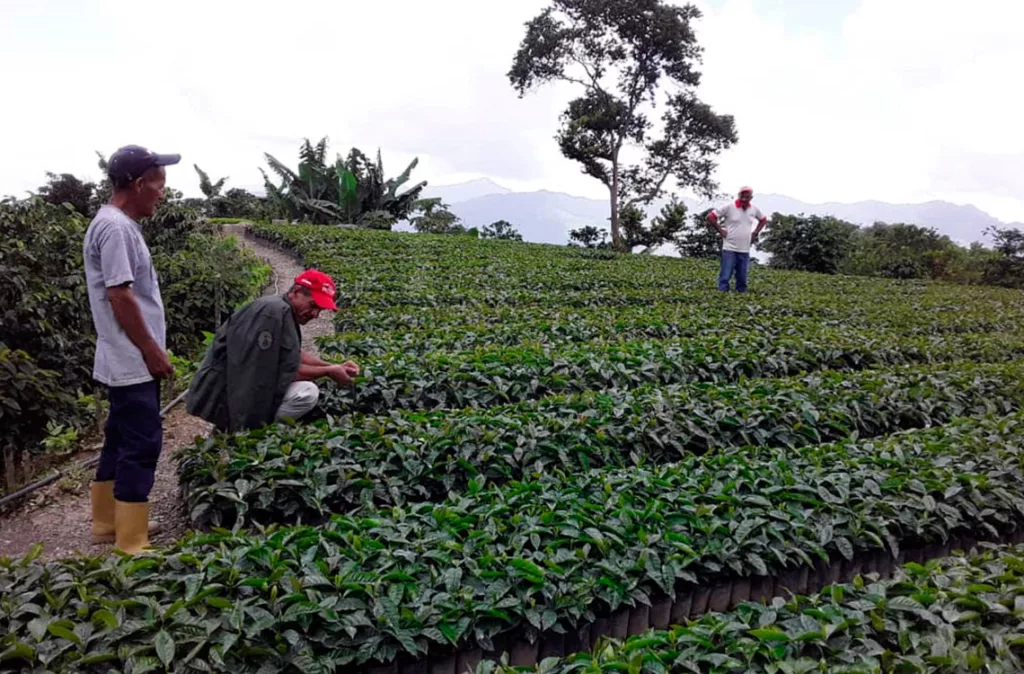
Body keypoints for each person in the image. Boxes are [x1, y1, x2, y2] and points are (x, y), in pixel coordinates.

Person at [83, 145, 180, 555]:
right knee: (142, 442)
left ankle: (108, 522)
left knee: (119, 438)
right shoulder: (118, 228)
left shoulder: (113, 223)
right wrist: (152, 351)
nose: (162, 194)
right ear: (139, 184)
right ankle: (131, 540)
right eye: (159, 185)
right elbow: (121, 296)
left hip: (123, 357)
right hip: (133, 359)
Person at [186, 270, 360, 433]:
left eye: (320, 310)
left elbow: (292, 354)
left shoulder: (284, 311)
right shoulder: (271, 314)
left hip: (239, 388)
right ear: (296, 291)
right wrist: (328, 372)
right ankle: (256, 434)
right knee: (307, 392)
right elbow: (278, 371)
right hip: (226, 393)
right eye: (314, 306)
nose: (315, 314)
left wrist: (334, 366)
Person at [707, 187, 769, 293]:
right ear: (738, 196)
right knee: (725, 275)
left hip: (744, 248)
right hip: (729, 247)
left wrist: (755, 232)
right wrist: (720, 230)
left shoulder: (753, 209)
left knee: (742, 277)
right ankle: (722, 294)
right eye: (742, 196)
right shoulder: (729, 207)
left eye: (747, 197)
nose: (744, 199)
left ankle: (740, 294)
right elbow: (710, 216)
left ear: (751, 197)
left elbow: (763, 220)